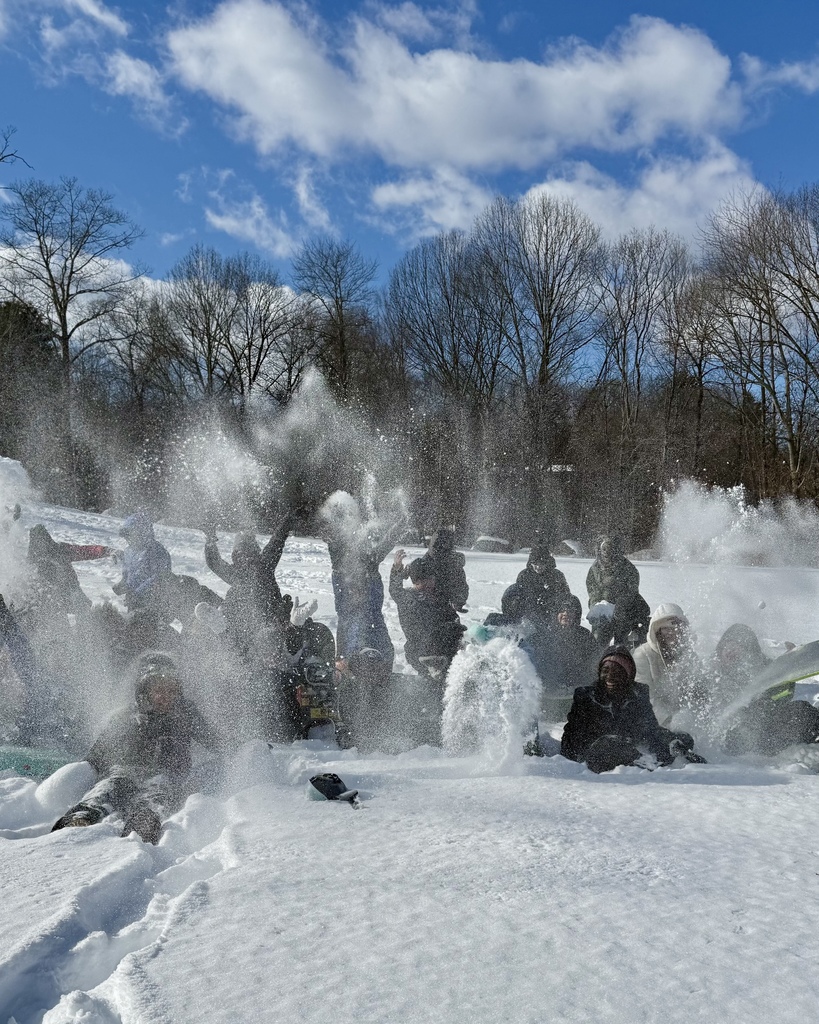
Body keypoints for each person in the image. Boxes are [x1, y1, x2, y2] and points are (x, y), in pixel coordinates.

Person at [51, 651, 221, 843]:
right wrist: (88, 766)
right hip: (123, 771)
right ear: (144, 691)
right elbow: (101, 749)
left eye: (171, 691)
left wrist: (232, 752)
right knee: (105, 789)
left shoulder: (186, 714)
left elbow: (214, 742)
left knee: (156, 796)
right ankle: (81, 816)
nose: (166, 696)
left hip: (164, 774)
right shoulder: (125, 716)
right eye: (159, 690)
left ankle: (143, 823)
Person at [561, 646, 700, 773]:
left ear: (627, 675)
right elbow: (572, 735)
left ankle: (662, 759)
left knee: (682, 739)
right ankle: (646, 765)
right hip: (595, 754)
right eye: (605, 670)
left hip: (630, 750)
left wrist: (670, 741)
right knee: (609, 743)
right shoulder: (586, 696)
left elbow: (650, 730)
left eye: (617, 672)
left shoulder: (638, 695)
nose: (610, 676)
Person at [710, 624, 819, 756]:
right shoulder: (709, 675)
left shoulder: (764, 670)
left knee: (802, 710)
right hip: (728, 738)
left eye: (739, 645)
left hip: (766, 734)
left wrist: (788, 669)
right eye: (728, 645)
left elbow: (784, 695)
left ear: (749, 651)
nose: (732, 650)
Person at [204, 512, 294, 656]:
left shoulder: (264, 567)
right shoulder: (235, 574)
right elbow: (214, 562)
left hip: (267, 627)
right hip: (242, 629)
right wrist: (210, 540)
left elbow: (276, 543)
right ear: (235, 557)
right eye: (239, 555)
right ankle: (223, 632)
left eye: (250, 553)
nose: (245, 558)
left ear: (256, 554)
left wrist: (286, 524)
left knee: (268, 635)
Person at [389, 548, 465, 677]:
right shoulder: (408, 597)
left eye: (432, 579)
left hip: (443, 647)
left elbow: (451, 618)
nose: (430, 583)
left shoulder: (439, 597)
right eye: (425, 580)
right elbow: (394, 588)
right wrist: (397, 568)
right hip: (418, 649)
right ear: (416, 581)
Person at [632, 603, 707, 725]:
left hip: (686, 721)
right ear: (657, 631)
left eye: (675, 629)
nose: (670, 633)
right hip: (651, 723)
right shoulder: (642, 655)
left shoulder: (689, 657)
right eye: (666, 628)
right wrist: (668, 721)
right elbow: (643, 696)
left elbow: (698, 690)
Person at [585, 535, 650, 646]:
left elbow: (632, 591)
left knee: (622, 644)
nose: (606, 552)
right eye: (604, 549)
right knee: (597, 643)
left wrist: (620, 606)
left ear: (615, 550)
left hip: (625, 611)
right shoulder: (595, 568)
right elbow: (592, 590)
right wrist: (596, 605)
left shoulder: (628, 568)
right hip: (604, 612)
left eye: (610, 549)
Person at [112, 512, 173, 617]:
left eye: (130, 535)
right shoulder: (129, 551)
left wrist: (138, 593)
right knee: (133, 628)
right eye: (126, 536)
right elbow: (127, 573)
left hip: (155, 603)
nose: (127, 540)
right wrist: (123, 584)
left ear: (142, 533)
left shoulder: (156, 551)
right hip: (133, 601)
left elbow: (160, 577)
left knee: (147, 627)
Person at [408, 528, 468, 611]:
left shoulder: (454, 564)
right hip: (428, 604)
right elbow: (418, 579)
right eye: (439, 544)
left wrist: (458, 601)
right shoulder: (427, 562)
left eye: (446, 544)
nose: (442, 547)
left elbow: (461, 585)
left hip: (445, 604)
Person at [513, 544, 571, 626]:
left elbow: (566, 596)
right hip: (529, 617)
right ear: (530, 563)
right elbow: (517, 596)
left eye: (542, 563)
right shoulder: (524, 575)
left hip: (551, 616)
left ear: (547, 562)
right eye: (535, 563)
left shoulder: (557, 575)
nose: (538, 567)